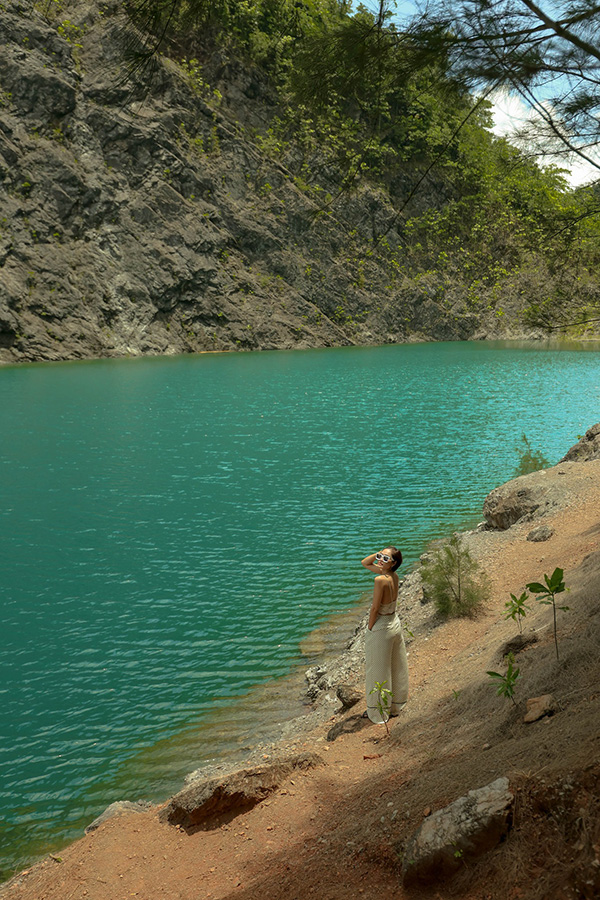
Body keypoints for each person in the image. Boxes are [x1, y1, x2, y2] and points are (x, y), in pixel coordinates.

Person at [361, 546, 409, 723]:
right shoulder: (393, 576)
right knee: (396, 665)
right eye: (380, 556)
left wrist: (370, 627)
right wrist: (382, 555)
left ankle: (378, 712)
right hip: (394, 623)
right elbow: (365, 562)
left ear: (394, 563)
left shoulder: (379, 579)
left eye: (385, 559)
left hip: (382, 626)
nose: (380, 560)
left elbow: (375, 608)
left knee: (377, 670)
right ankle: (396, 705)